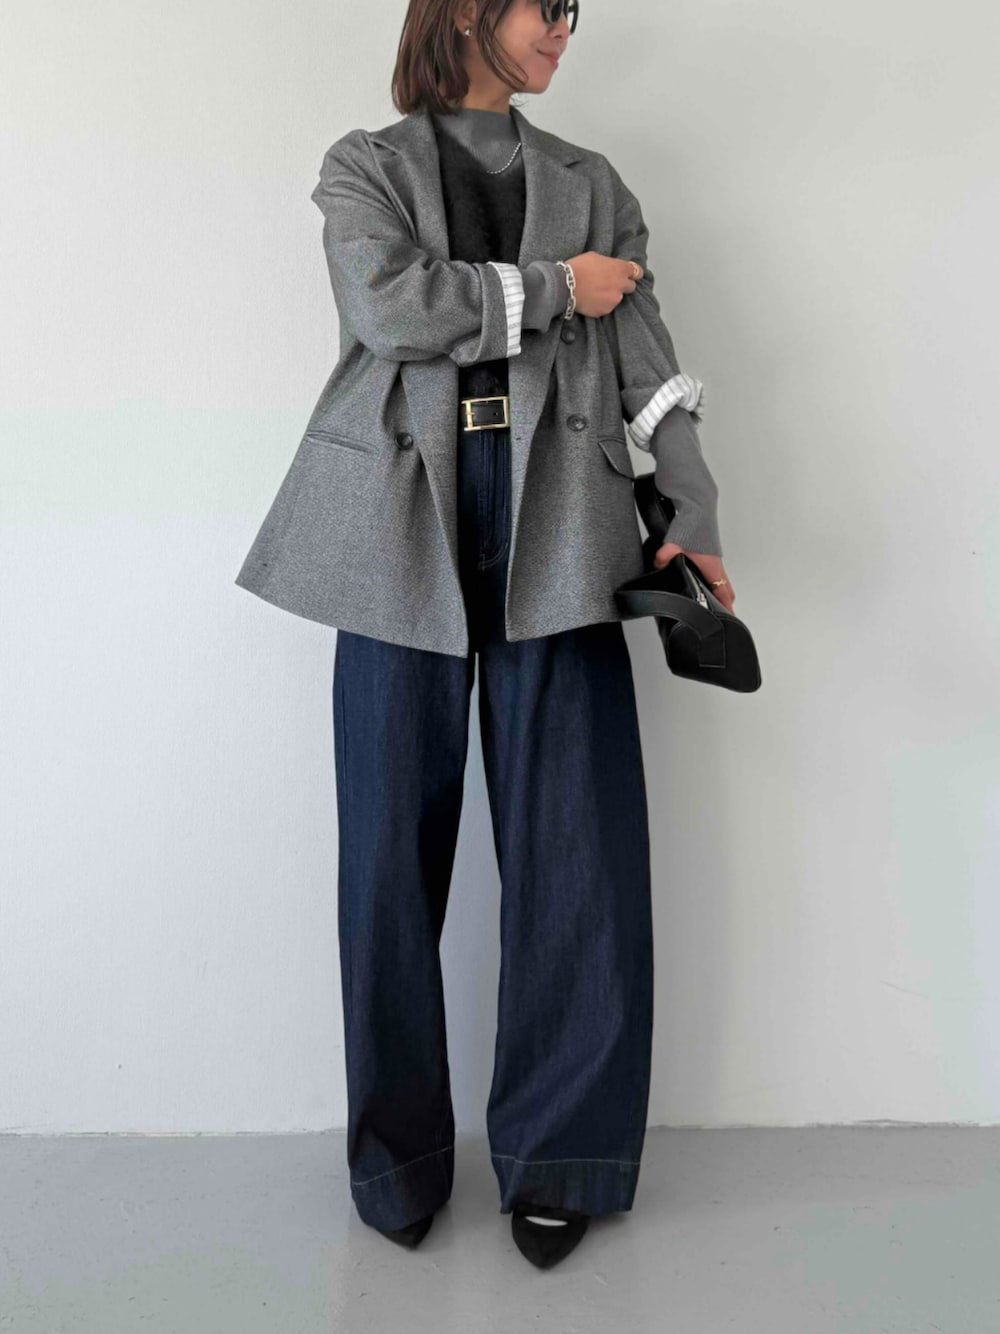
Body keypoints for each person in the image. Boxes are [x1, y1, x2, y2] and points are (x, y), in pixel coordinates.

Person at [236, 0, 735, 1270]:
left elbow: (644, 351)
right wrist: (559, 287)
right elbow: (390, 306)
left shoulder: (592, 181)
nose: (565, 30)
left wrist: (693, 503)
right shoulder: (364, 166)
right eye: (546, 7)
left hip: (561, 518)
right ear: (467, 10)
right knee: (386, 861)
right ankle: (396, 1157)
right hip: (394, 527)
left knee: (577, 853)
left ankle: (561, 1156)